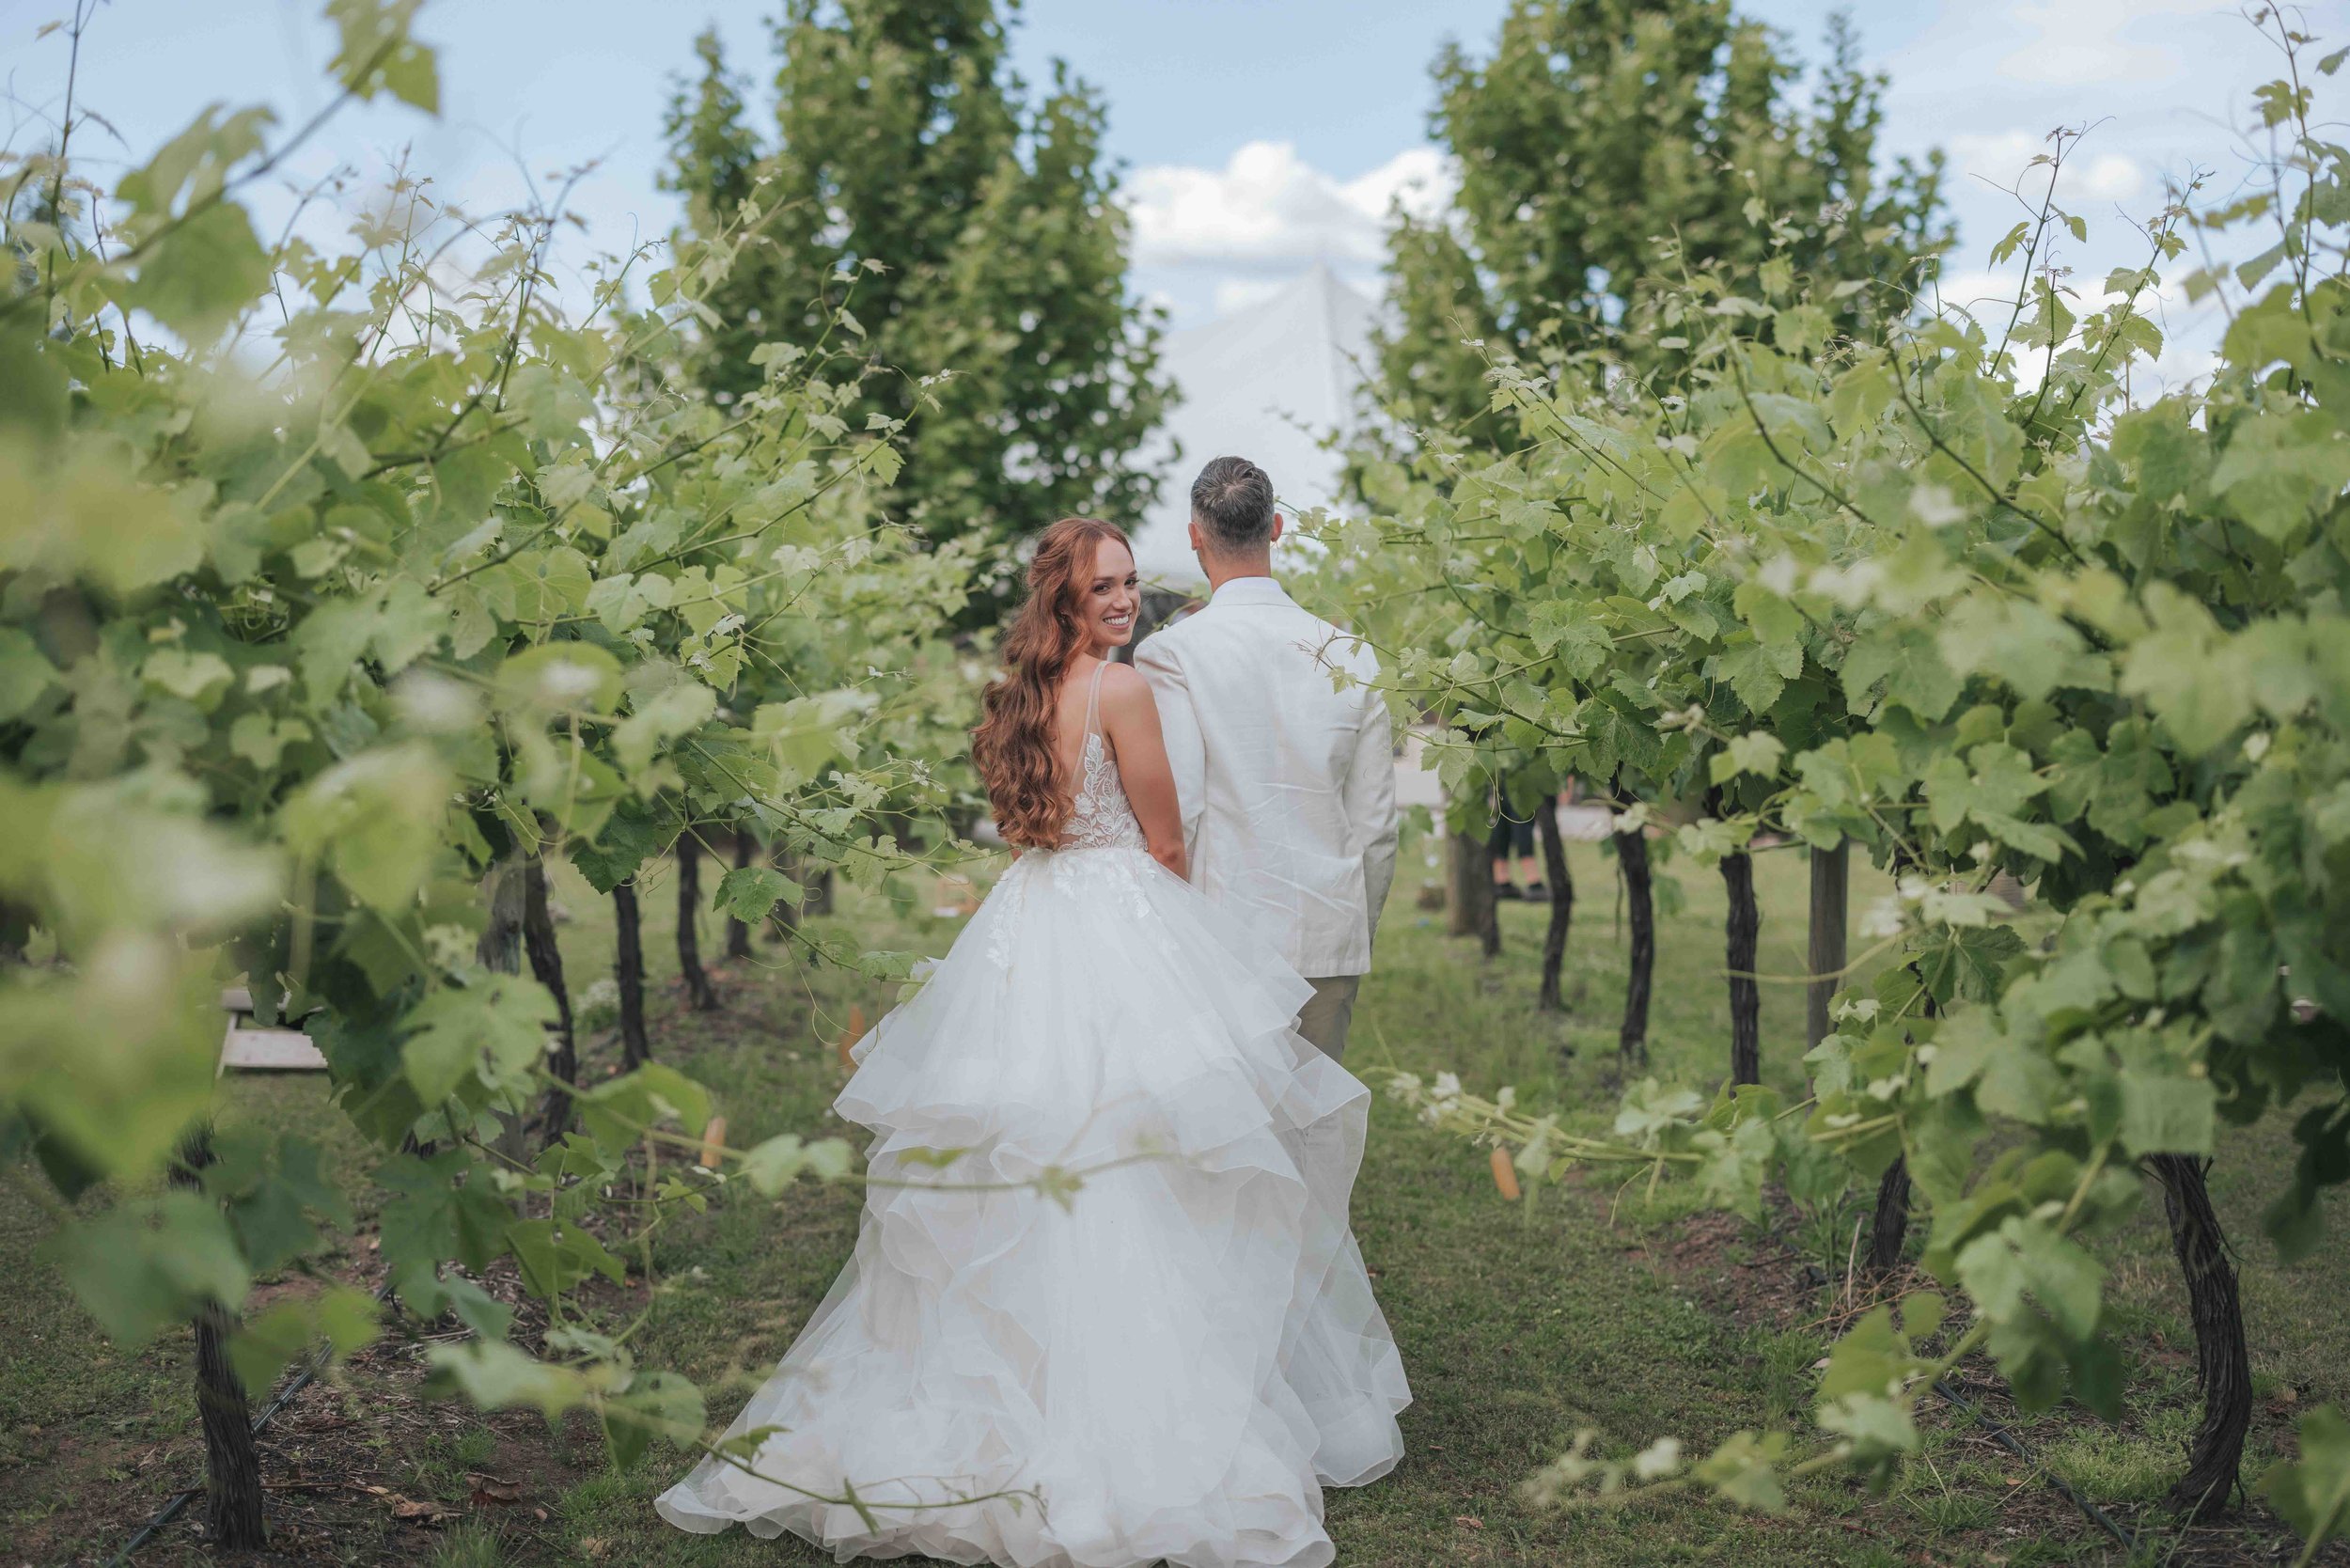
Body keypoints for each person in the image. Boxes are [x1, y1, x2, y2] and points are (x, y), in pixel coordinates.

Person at [655, 516, 1409, 1567]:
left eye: (1130, 583)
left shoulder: (1018, 699)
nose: (1123, 601)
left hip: (1028, 917)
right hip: (1116, 915)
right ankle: (1134, 1408)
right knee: (1140, 1151)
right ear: (1063, 597)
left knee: (1036, 1145)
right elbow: (1167, 837)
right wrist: (1176, 932)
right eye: (1103, 587)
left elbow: (1027, 829)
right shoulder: (1122, 689)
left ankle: (1019, 1385)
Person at [1134, 456, 1400, 1062]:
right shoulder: (1352, 654)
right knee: (1314, 1128)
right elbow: (1377, 827)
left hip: (1223, 933)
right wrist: (1356, 929)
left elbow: (1184, 812)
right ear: (1276, 527)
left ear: (1195, 534)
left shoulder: (1171, 655)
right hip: (1327, 927)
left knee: (1232, 1135)